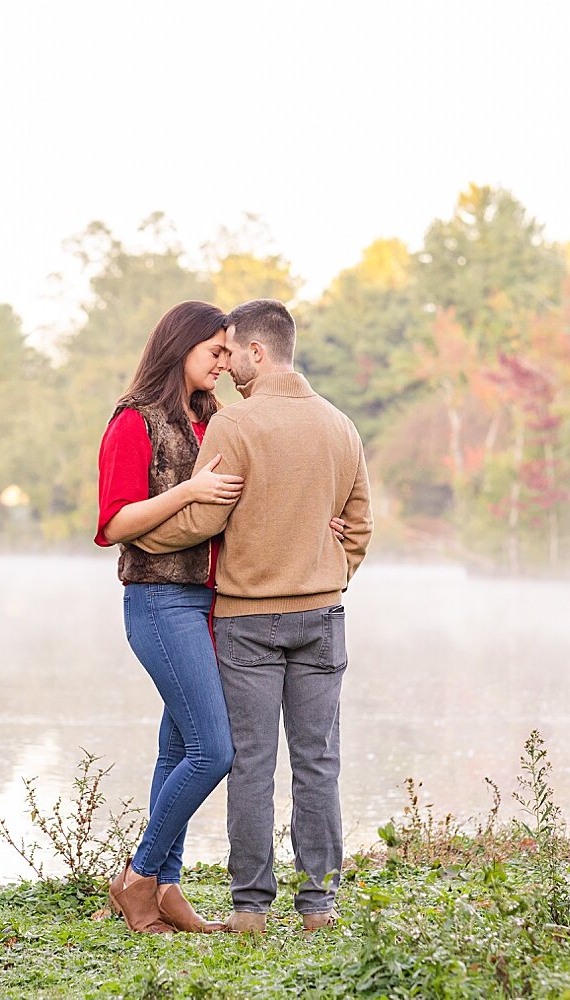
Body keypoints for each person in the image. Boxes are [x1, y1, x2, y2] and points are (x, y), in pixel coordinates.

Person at [133, 298, 373, 934]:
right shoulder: (341, 427)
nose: (228, 365)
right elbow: (360, 526)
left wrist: (137, 536)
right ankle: (319, 906)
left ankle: (250, 909)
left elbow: (205, 517)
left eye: (233, 351)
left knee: (252, 764)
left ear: (258, 353)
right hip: (323, 615)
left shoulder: (235, 427)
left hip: (246, 621)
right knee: (319, 762)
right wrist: (325, 573)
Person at [94, 300, 243, 934]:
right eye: (216, 351)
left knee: (178, 747)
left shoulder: (214, 422)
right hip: (159, 602)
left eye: (230, 352)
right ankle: (138, 878)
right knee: (214, 751)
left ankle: (167, 888)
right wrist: (186, 491)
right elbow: (113, 523)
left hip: (211, 603)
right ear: (181, 347)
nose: (225, 363)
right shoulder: (135, 421)